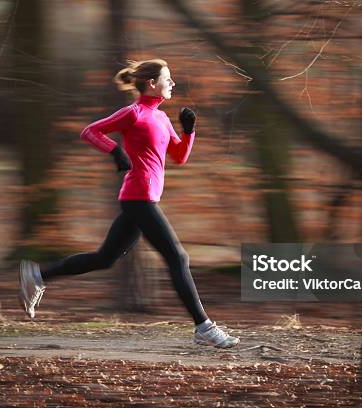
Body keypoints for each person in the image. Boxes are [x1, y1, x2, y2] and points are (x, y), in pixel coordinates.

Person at [19, 59, 239, 348]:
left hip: (142, 198)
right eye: (168, 78)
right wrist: (115, 151)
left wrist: (189, 131)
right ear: (151, 83)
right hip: (139, 196)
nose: (173, 83)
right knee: (178, 258)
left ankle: (37, 274)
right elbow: (91, 131)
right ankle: (204, 327)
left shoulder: (160, 117)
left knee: (105, 258)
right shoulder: (133, 113)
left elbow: (179, 157)